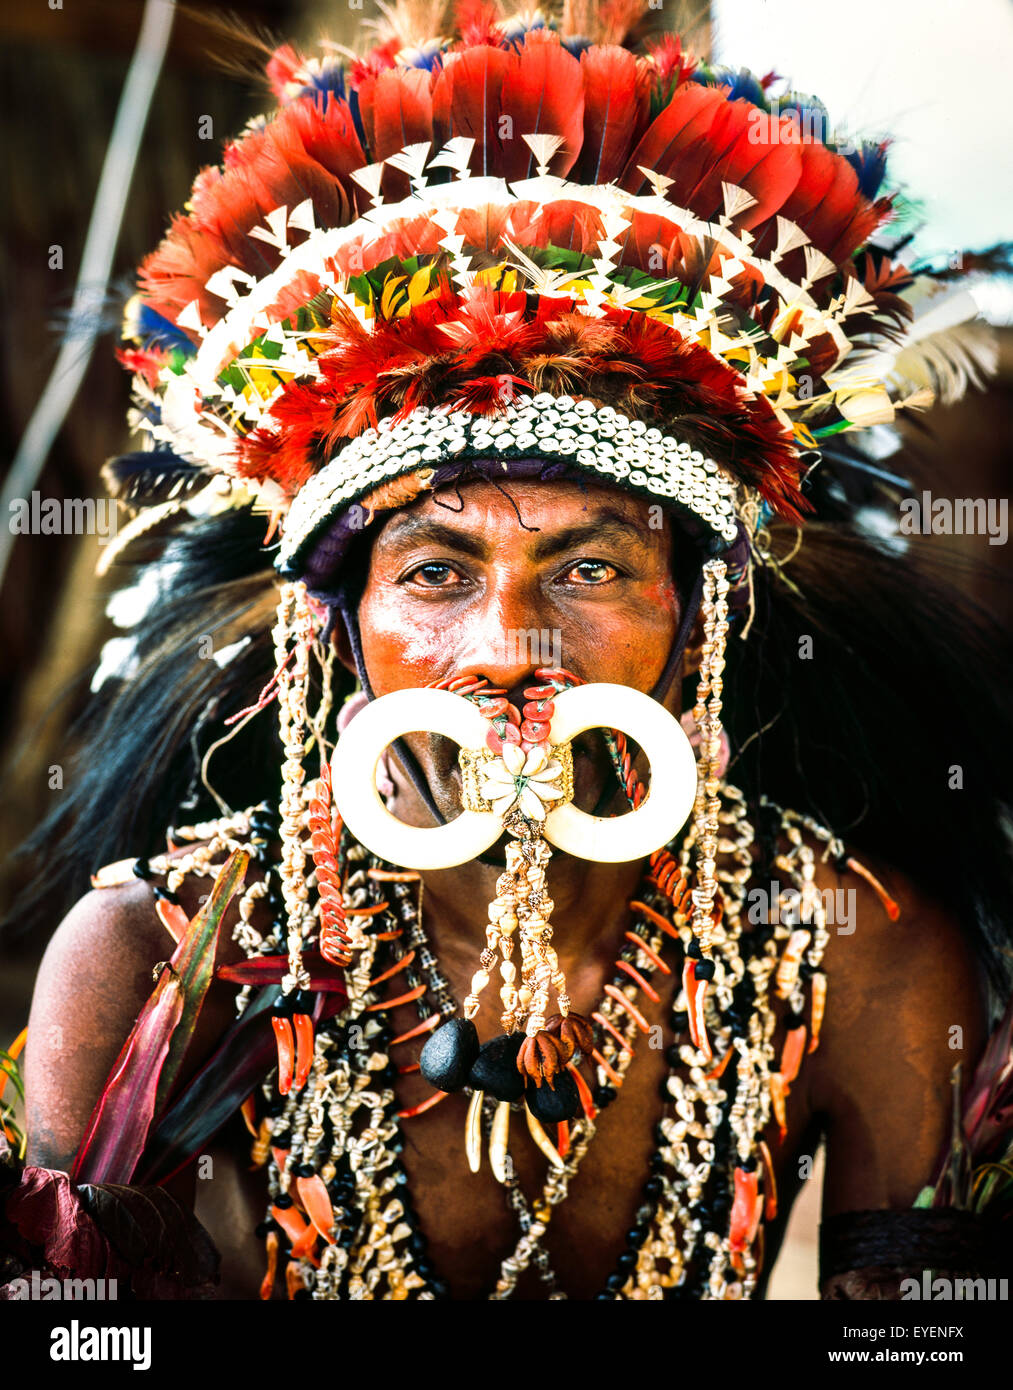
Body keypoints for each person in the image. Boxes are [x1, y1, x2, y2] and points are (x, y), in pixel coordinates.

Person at [3, 2, 1011, 1302]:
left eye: (588, 569)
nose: (507, 646)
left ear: (697, 616)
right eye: (434, 571)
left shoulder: (854, 949)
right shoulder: (159, 950)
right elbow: (82, 1341)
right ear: (333, 629)